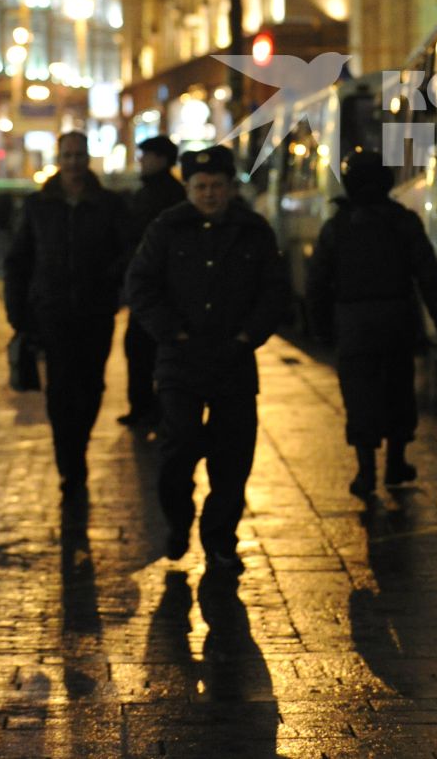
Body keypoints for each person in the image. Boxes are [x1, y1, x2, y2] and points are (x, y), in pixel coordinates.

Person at [125, 145, 291, 570]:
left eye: (217, 185)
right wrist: (172, 332)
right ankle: (177, 523)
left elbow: (274, 291)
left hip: (233, 360)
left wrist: (246, 336)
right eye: (201, 186)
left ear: (231, 187)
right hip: (180, 360)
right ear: (189, 187)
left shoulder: (253, 230)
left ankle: (220, 539)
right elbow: (141, 286)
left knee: (233, 457)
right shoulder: (167, 228)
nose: (210, 194)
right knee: (178, 447)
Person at [306, 149, 437, 496]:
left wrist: (322, 329)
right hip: (397, 320)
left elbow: (316, 283)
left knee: (359, 394)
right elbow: (428, 273)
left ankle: (365, 471)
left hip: (353, 323)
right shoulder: (402, 221)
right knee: (398, 390)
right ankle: (396, 462)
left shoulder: (336, 227)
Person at [4, 132, 132, 503]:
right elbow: (18, 260)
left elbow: (128, 250)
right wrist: (19, 312)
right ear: (58, 159)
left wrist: (110, 281)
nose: (73, 162)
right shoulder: (39, 205)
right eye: (67, 155)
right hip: (53, 311)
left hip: (95, 310)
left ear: (88, 158)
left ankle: (78, 447)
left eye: (79, 155)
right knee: (60, 391)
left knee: (92, 386)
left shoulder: (108, 204)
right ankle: (70, 467)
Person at [119, 135, 185, 431]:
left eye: (145, 155)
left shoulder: (162, 195)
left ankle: (149, 409)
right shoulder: (158, 191)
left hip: (157, 288)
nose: (141, 161)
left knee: (144, 348)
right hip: (153, 286)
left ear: (160, 159)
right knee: (141, 348)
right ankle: (146, 408)